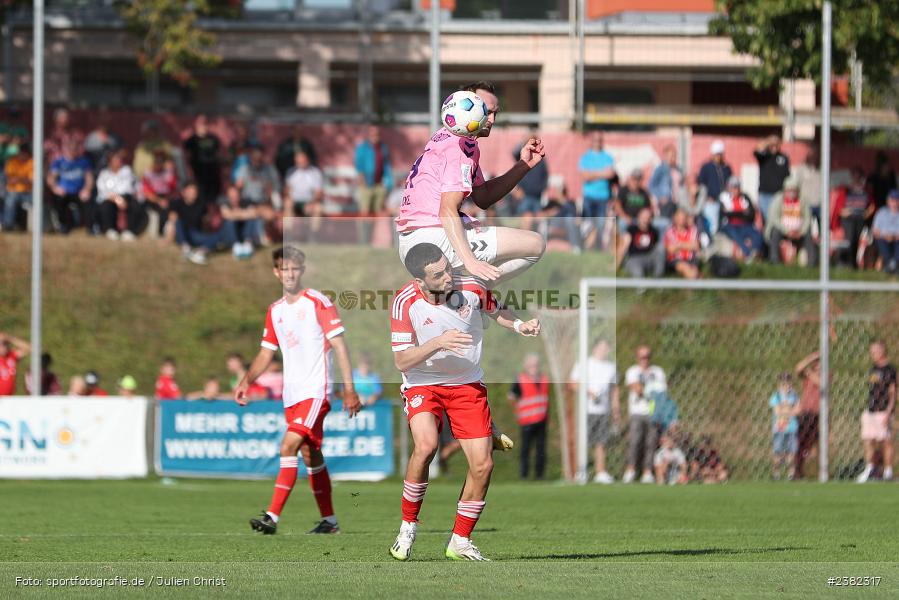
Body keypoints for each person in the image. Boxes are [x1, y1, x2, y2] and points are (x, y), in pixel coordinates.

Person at [388, 243, 539, 561]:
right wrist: (438, 342)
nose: (448, 277)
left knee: (483, 464)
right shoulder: (405, 302)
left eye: (447, 268)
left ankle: (460, 541)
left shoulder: (470, 285)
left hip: (466, 385)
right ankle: (407, 528)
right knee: (427, 446)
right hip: (423, 384)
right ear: (420, 282)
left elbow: (496, 310)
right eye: (438, 275)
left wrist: (518, 325)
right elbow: (402, 361)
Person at [238, 246, 361, 535]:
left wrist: (349, 389)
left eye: (295, 269)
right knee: (310, 455)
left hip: (316, 390)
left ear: (302, 271)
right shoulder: (275, 311)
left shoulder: (317, 301)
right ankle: (330, 522)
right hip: (292, 395)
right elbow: (266, 353)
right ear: (276, 272)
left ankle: (272, 517)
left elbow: (340, 345)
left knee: (287, 446)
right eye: (284, 269)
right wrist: (246, 381)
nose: (290, 274)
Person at [395, 81, 546, 286]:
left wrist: (523, 166)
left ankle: (468, 292)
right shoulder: (460, 146)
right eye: (485, 110)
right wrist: (471, 261)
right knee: (535, 244)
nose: (491, 119)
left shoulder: (446, 137)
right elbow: (447, 209)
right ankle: (474, 290)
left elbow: (483, 197)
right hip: (433, 237)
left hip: (416, 238)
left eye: (495, 113)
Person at [568, 338, 620, 483]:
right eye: (602, 347)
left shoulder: (611, 367)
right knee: (583, 441)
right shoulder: (584, 364)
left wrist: (616, 409)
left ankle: (600, 472)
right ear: (595, 348)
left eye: (606, 348)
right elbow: (573, 383)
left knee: (601, 442)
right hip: (586, 410)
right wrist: (588, 392)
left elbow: (614, 389)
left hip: (603, 410)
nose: (604, 351)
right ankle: (580, 471)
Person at [623, 345, 666, 484]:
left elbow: (662, 391)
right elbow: (635, 387)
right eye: (642, 357)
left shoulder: (658, 371)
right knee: (635, 442)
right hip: (637, 412)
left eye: (647, 356)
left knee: (651, 443)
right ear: (637, 357)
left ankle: (647, 472)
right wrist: (650, 391)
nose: (645, 360)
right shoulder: (632, 371)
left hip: (653, 412)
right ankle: (630, 470)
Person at [856, 341, 896, 483]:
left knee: (886, 441)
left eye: (874, 351)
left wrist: (889, 411)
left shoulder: (890, 370)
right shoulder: (873, 369)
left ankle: (888, 471)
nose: (872, 354)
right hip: (871, 410)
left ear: (881, 351)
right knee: (868, 440)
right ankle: (869, 469)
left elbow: (893, 392)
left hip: (883, 411)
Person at [508, 353, 550, 480]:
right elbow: (511, 396)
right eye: (531, 364)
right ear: (526, 365)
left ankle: (539, 475)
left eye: (536, 364)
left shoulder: (544, 378)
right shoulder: (520, 379)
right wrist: (517, 410)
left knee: (541, 449)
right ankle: (524, 475)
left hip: (542, 419)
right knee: (525, 449)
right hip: (527, 420)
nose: (534, 367)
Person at [765, 176, 817, 266]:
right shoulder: (778, 200)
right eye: (789, 190)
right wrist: (787, 231)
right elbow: (774, 218)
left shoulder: (803, 200)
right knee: (775, 232)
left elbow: (807, 218)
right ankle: (774, 260)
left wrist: (801, 231)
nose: (792, 193)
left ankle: (811, 262)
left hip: (799, 231)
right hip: (783, 229)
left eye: (794, 191)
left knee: (808, 235)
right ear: (785, 190)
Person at [830, 166, 875, 268]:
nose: (856, 178)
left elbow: (872, 205)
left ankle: (854, 262)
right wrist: (843, 212)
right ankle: (844, 261)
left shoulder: (866, 191)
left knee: (857, 239)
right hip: (848, 219)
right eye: (854, 176)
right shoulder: (845, 190)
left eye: (859, 176)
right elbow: (838, 207)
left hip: (861, 218)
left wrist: (866, 213)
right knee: (849, 238)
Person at [46, 138, 93, 234]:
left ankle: (90, 227)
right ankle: (62, 226)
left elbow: (89, 178)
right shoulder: (59, 162)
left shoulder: (83, 162)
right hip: (63, 192)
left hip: (79, 192)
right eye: (70, 149)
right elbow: (51, 178)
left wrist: (87, 189)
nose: (73, 151)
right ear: (66, 149)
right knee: (58, 201)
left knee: (89, 202)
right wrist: (55, 188)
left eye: (75, 149)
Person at [579, 131, 616, 249]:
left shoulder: (608, 157)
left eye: (600, 140)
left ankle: (597, 248)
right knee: (588, 225)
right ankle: (587, 247)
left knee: (601, 225)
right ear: (591, 141)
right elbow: (585, 177)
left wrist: (592, 173)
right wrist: (602, 173)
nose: (597, 142)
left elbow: (610, 174)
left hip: (603, 197)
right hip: (589, 196)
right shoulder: (585, 157)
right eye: (595, 140)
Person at [96, 150, 141, 241]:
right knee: (106, 207)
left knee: (135, 205)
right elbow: (103, 191)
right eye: (116, 160)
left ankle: (129, 231)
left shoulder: (127, 170)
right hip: (110, 198)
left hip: (126, 197)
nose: (119, 162)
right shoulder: (104, 174)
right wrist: (117, 199)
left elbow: (129, 187)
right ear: (110, 162)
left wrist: (121, 199)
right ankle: (110, 230)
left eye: (120, 160)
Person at [719, 176, 763, 262]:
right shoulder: (723, 198)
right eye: (733, 187)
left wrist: (733, 212)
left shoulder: (745, 197)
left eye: (737, 187)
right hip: (730, 226)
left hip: (745, 225)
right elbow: (724, 215)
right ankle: (748, 253)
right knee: (734, 233)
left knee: (757, 234)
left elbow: (751, 214)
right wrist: (742, 212)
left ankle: (754, 252)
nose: (735, 189)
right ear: (728, 187)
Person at [510, 130, 549, 227]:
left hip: (537, 196)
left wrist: (542, 188)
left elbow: (545, 176)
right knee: (526, 218)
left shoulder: (540, 159)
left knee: (538, 222)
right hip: (524, 196)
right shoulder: (522, 155)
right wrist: (525, 141)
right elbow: (514, 152)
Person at [183, 114, 222, 205]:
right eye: (201, 123)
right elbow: (186, 156)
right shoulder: (191, 140)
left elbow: (218, 155)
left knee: (214, 200)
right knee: (201, 199)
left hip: (213, 175)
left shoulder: (214, 139)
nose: (203, 126)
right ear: (196, 125)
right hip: (199, 175)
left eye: (205, 123)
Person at [355, 125, 393, 218]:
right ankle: (364, 233)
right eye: (373, 134)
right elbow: (359, 166)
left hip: (379, 185)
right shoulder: (362, 148)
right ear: (368, 135)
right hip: (366, 185)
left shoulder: (383, 148)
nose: (375, 136)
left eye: (377, 134)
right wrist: (362, 184)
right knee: (365, 213)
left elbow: (386, 167)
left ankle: (373, 233)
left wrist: (387, 184)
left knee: (377, 215)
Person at [794, 351, 821, 479]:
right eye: (817, 362)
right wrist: (811, 357)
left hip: (817, 414)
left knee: (815, 444)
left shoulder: (825, 374)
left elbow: (821, 383)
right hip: (805, 413)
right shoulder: (808, 373)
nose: (818, 364)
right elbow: (798, 368)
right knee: (800, 443)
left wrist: (810, 372)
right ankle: (798, 471)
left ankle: (820, 472)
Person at [769, 372, 800, 480]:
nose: (787, 385)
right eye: (784, 383)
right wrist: (789, 408)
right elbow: (777, 412)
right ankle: (776, 473)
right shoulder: (776, 396)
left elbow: (798, 410)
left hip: (791, 429)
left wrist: (786, 408)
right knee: (778, 452)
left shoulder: (794, 396)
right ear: (780, 385)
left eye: (788, 383)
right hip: (780, 429)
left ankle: (791, 474)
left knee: (791, 452)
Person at [141, 149, 179, 237]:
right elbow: (147, 193)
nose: (158, 164)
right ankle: (160, 231)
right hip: (153, 199)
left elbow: (174, 191)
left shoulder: (169, 173)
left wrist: (166, 199)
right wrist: (159, 200)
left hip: (166, 197)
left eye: (161, 161)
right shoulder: (148, 174)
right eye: (156, 161)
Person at [619, 207, 664, 278]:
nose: (646, 219)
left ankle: (658, 279)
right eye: (644, 217)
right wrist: (616, 265)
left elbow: (658, 249)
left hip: (649, 258)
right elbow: (623, 248)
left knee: (661, 247)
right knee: (637, 272)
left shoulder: (654, 231)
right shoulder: (631, 229)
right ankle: (641, 287)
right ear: (639, 217)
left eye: (648, 217)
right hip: (634, 258)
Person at [754, 134, 790, 222]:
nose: (774, 146)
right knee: (767, 219)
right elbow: (758, 149)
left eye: (776, 144)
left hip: (779, 194)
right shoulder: (764, 156)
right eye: (772, 144)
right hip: (765, 194)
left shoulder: (783, 157)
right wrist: (769, 140)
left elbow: (787, 176)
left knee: (778, 220)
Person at [648, 144, 683, 226]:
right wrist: (660, 197)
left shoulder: (678, 170)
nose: (673, 158)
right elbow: (651, 185)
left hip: (677, 202)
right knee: (666, 224)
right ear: (665, 156)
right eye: (671, 156)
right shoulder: (661, 169)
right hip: (666, 202)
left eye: (674, 156)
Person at [2, 143, 32, 232]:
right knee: (11, 199)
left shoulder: (32, 162)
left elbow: (32, 181)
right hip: (12, 191)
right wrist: (23, 179)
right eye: (21, 153)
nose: (22, 155)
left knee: (39, 200)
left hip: (28, 192)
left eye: (25, 153)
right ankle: (8, 225)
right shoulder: (12, 162)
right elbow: (8, 180)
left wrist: (18, 179)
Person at [664, 208, 700, 279]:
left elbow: (696, 246)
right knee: (687, 269)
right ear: (675, 218)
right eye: (680, 218)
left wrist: (678, 245)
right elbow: (670, 249)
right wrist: (688, 245)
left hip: (691, 259)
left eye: (683, 218)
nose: (681, 221)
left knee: (694, 271)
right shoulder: (670, 231)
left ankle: (690, 288)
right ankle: (692, 287)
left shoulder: (692, 230)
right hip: (676, 260)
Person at [612, 168, 652, 233]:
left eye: (638, 179)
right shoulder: (623, 190)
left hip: (640, 220)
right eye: (634, 178)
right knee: (623, 223)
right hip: (626, 218)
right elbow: (617, 205)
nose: (636, 181)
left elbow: (647, 209)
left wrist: (644, 218)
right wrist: (625, 217)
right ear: (630, 178)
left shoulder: (644, 192)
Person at [696, 140, 732, 206]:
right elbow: (701, 184)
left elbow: (730, 183)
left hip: (725, 201)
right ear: (712, 154)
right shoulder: (706, 167)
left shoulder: (726, 168)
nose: (718, 157)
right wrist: (706, 197)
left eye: (720, 154)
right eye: (717, 154)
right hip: (711, 201)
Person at [872, 189, 899, 273]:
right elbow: (875, 230)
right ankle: (891, 264)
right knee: (881, 242)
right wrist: (885, 236)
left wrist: (894, 236)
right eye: (892, 200)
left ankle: (893, 264)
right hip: (883, 238)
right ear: (888, 201)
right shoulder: (881, 212)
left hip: (897, 238)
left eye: (896, 200)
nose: (894, 203)